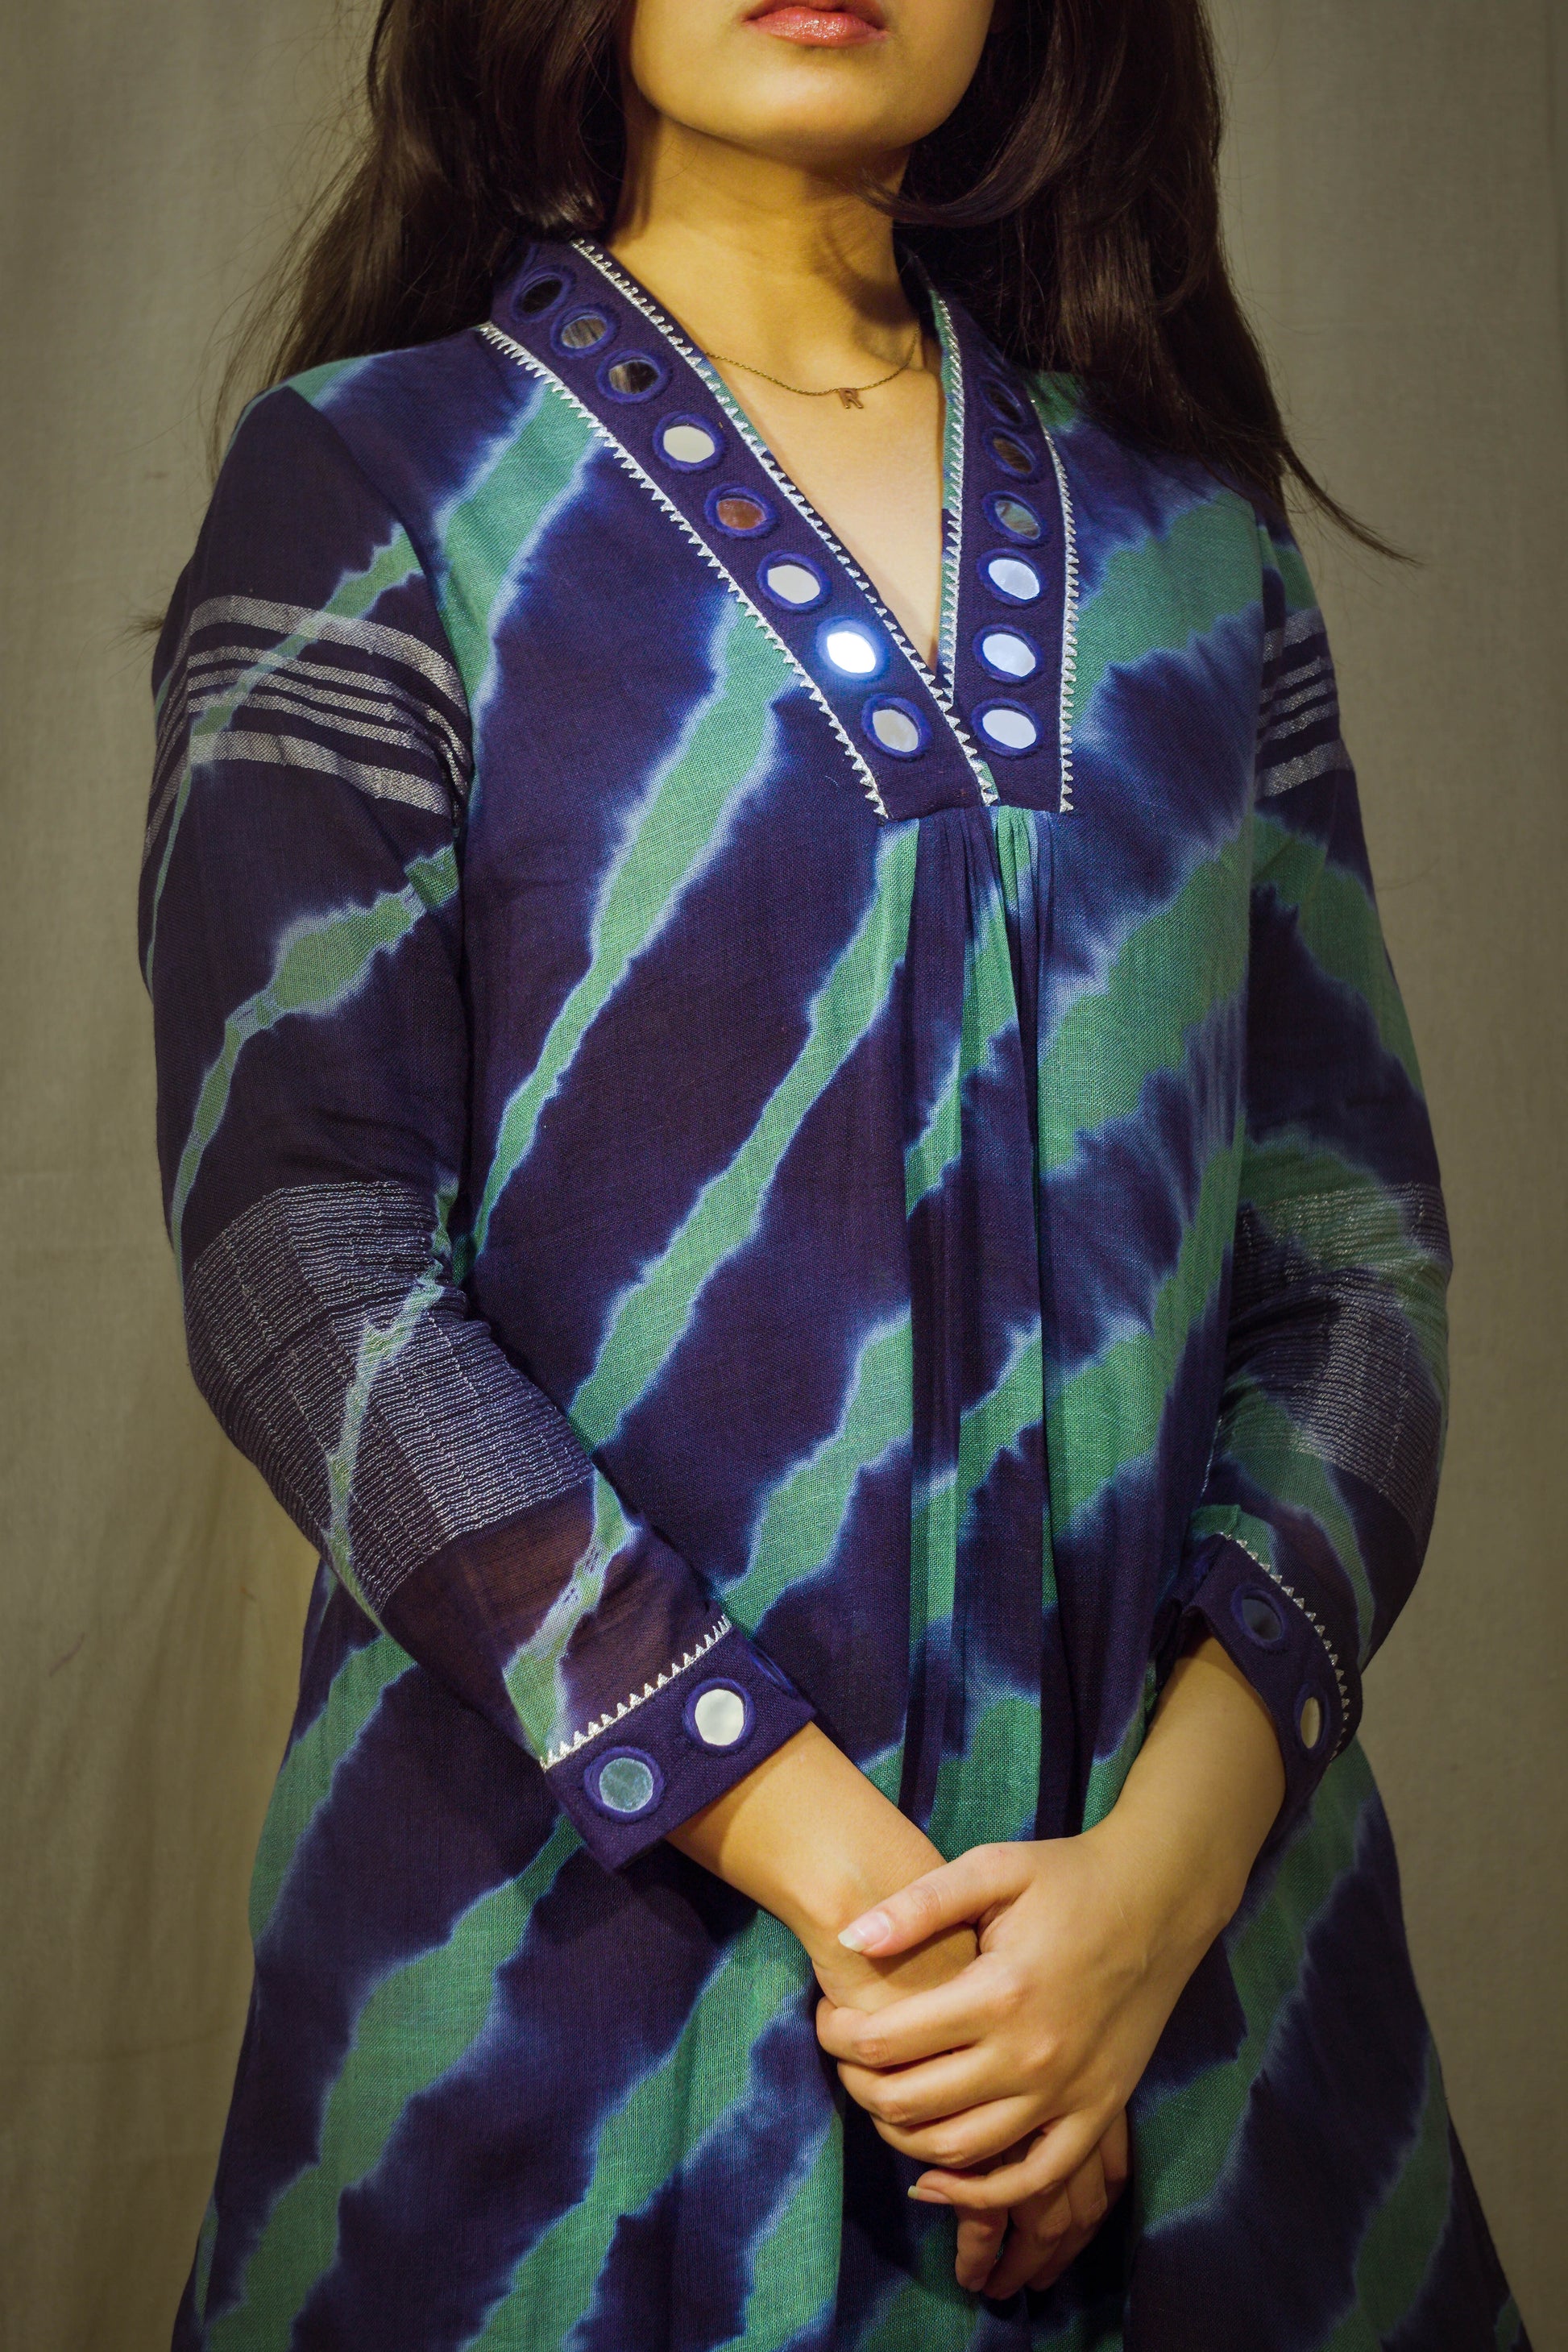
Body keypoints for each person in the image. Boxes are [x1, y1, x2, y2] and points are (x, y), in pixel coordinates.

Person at [139, 0, 1529, 2342]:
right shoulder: (374, 488)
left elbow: (1355, 1267)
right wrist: (880, 1918)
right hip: (577, 2001)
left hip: (1204, 2013)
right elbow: (306, 1264)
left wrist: (1152, 1901)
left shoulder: (1199, 546)